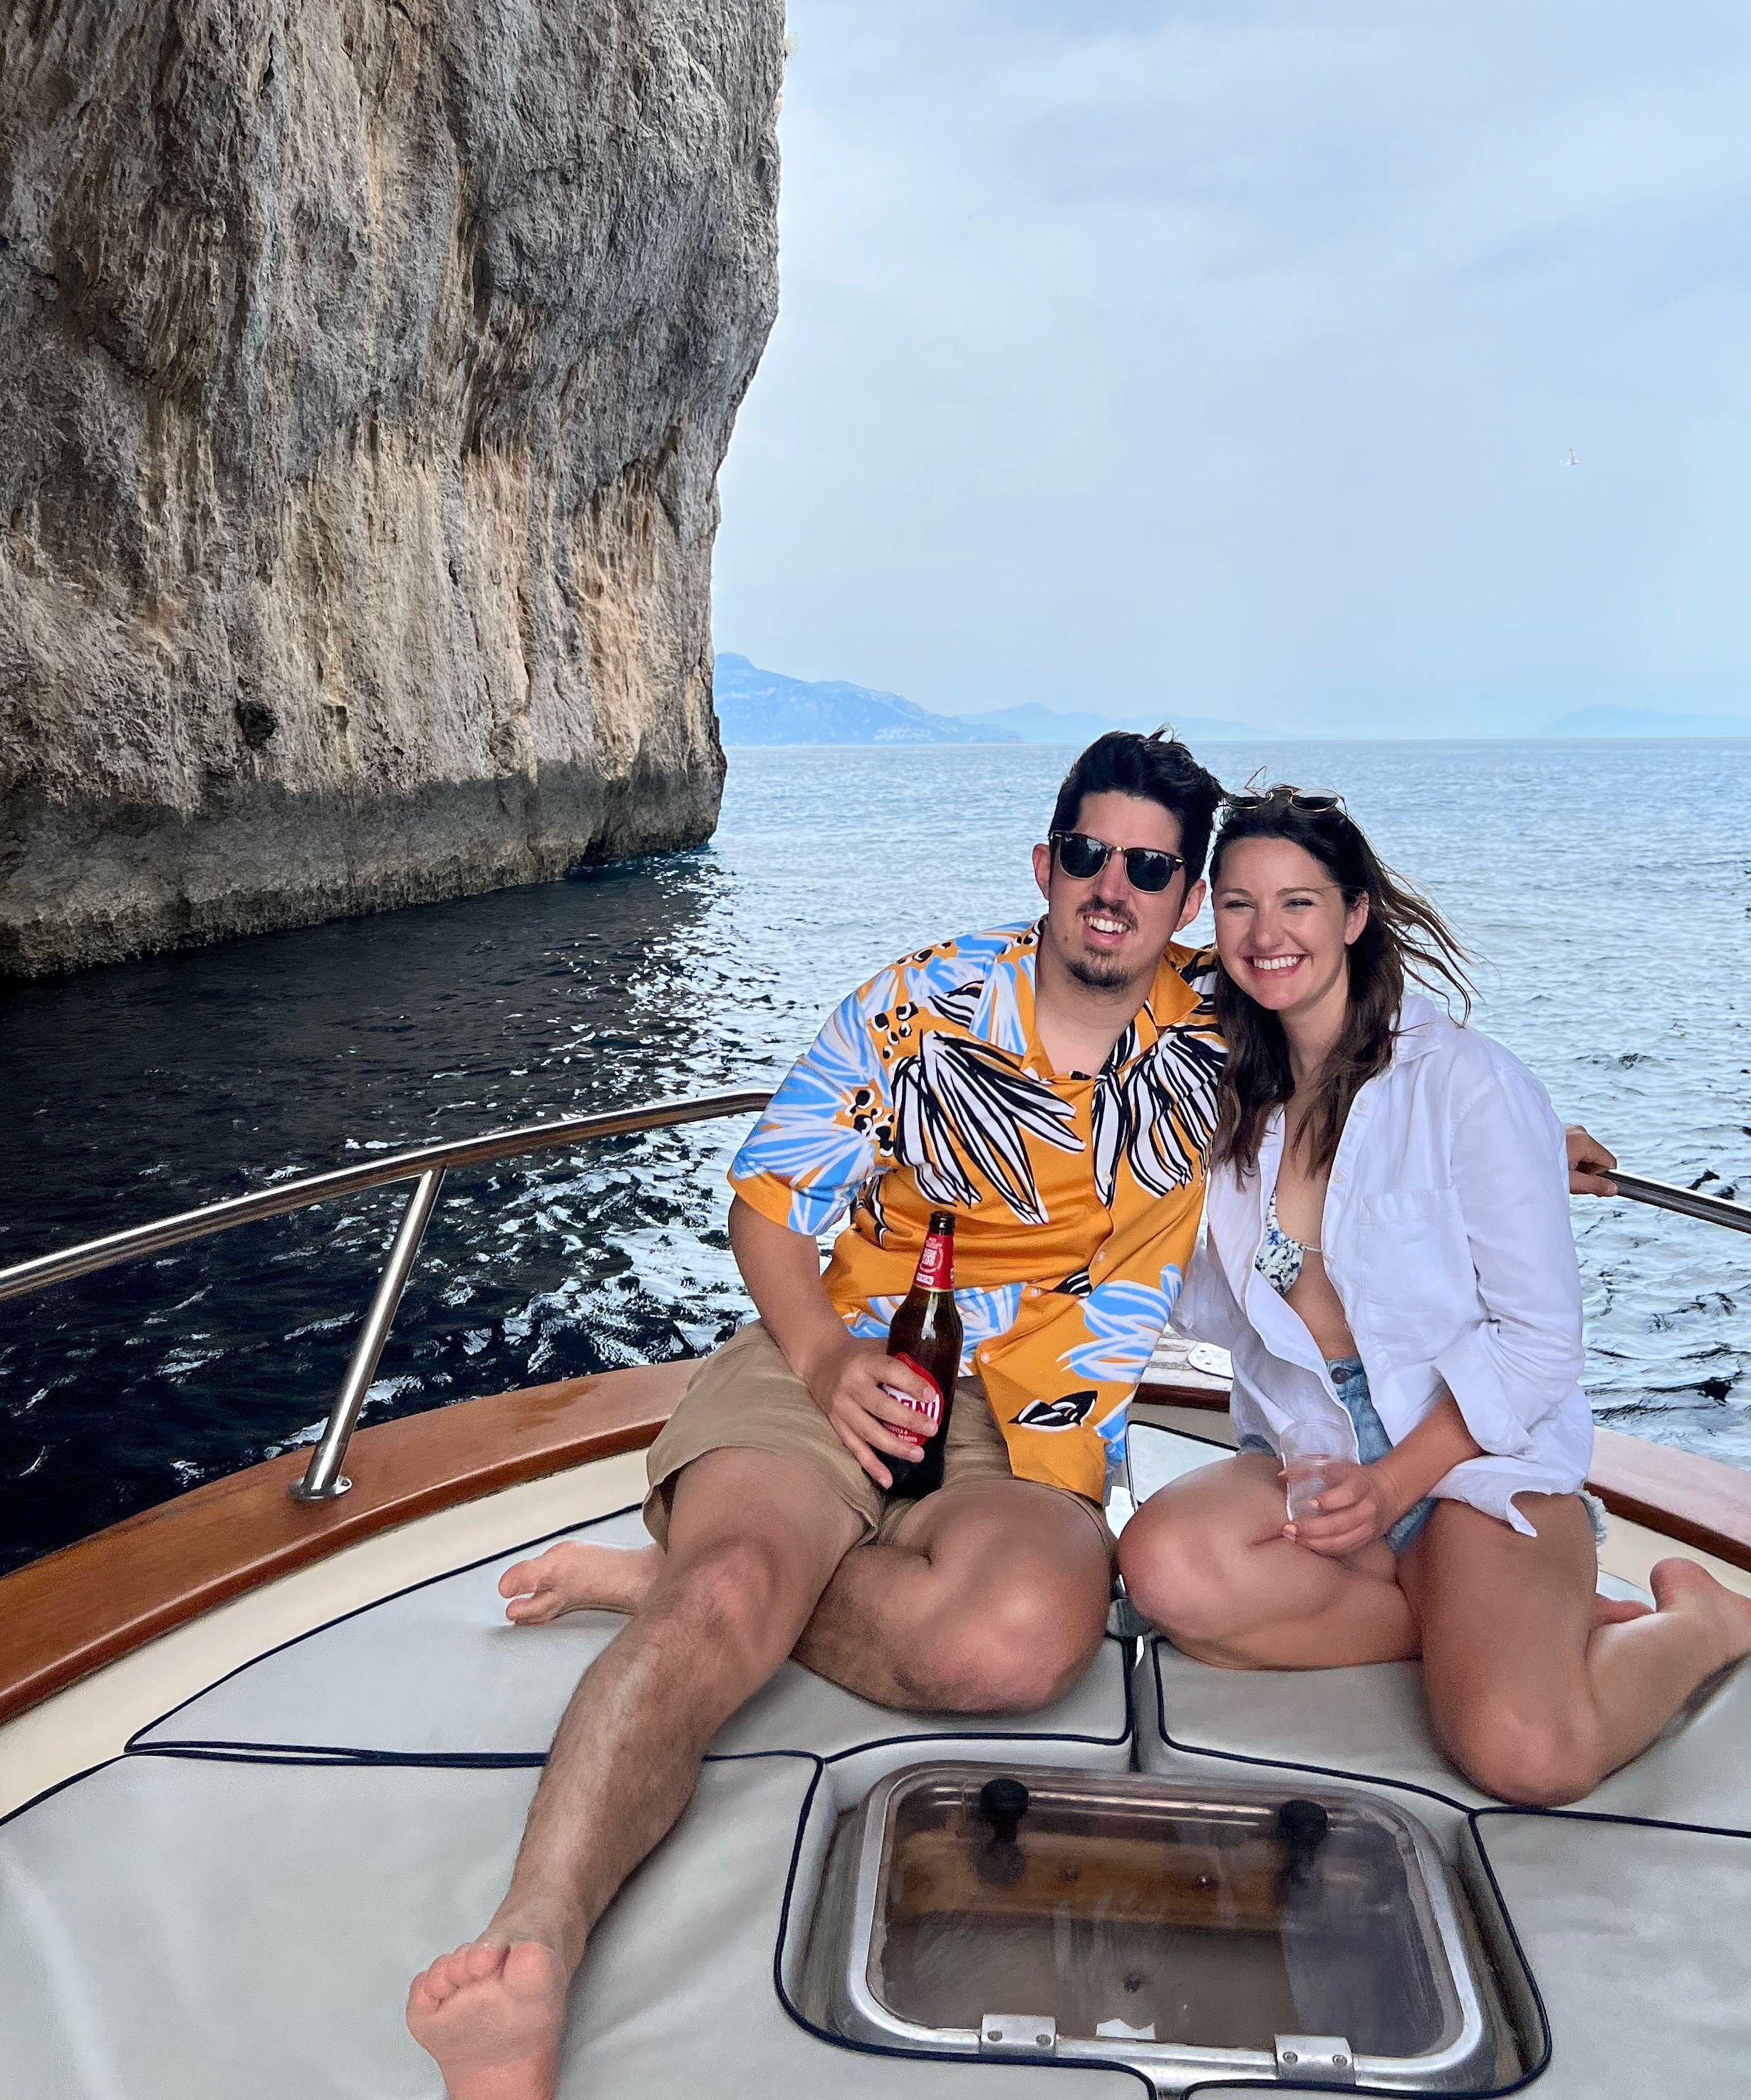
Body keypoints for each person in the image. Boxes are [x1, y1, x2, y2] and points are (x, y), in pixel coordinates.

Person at [406, 731, 1229, 2098]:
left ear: (1186, 899)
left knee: (1022, 1639)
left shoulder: (1223, 1020)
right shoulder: (923, 1003)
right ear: (1046, 862)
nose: (1113, 889)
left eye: (1149, 869)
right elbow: (769, 1207)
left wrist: (1506, 1142)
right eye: (1090, 853)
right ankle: (527, 1956)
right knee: (730, 1588)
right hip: (848, 1341)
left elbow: (1375, 1046)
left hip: (1041, 1408)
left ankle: (675, 1582)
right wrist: (825, 1357)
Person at [1116, 785, 1751, 1809]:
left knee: (1530, 1757)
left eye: (1298, 903)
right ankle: (1489, 1634)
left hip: (1476, 1458)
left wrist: (1395, 1489)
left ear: (1354, 915)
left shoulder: (1467, 1086)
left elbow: (1538, 1348)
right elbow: (1200, 1288)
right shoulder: (1217, 1092)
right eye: (1240, 905)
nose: (1265, 934)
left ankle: (1699, 1623)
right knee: (1164, 1569)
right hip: (1312, 1446)